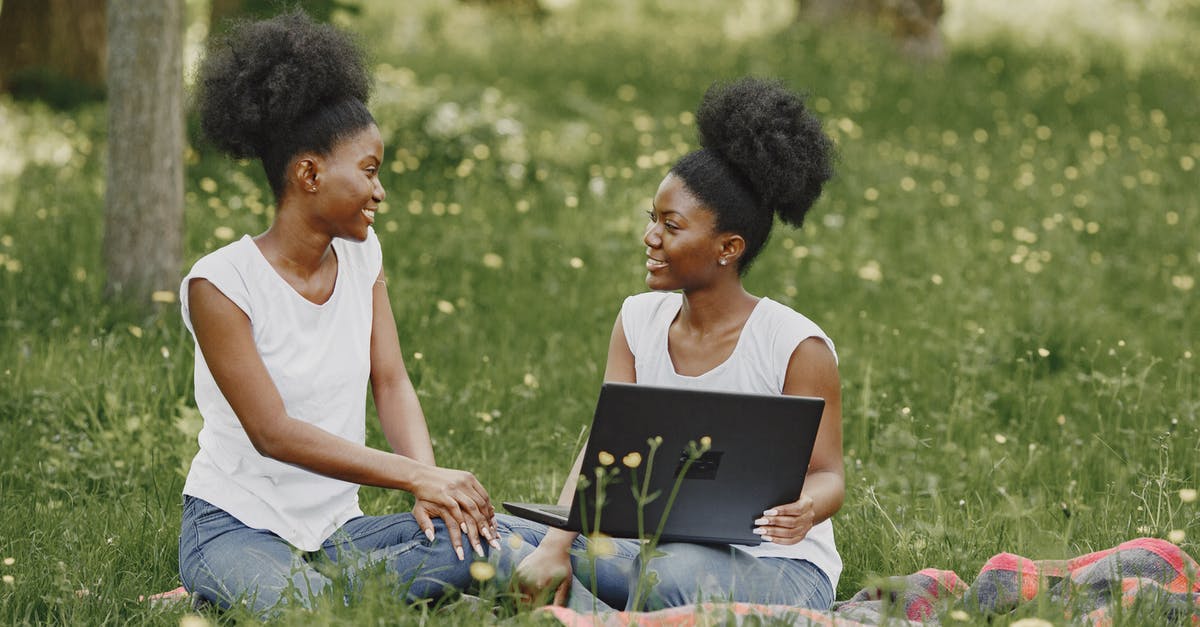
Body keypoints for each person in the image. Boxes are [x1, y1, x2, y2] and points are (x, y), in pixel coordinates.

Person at [177, 11, 502, 614]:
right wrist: (412, 478)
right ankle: (227, 580)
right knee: (316, 612)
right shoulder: (220, 284)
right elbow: (272, 433)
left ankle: (269, 591)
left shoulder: (361, 255)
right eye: (370, 171)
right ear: (309, 173)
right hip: (234, 526)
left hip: (335, 533)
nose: (380, 192)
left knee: (496, 544)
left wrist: (431, 487)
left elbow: (392, 379)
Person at [514, 77, 844, 611]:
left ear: (727, 248)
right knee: (518, 541)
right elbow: (602, 452)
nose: (650, 238)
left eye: (671, 226)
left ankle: (583, 613)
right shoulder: (637, 319)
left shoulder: (795, 345)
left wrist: (805, 509)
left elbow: (829, 475)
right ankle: (592, 608)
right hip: (655, 552)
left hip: (782, 571)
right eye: (652, 220)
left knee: (666, 572)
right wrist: (555, 544)